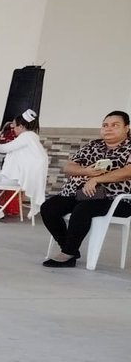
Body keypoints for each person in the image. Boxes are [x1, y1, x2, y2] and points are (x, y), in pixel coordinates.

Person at [40, 110, 131, 267]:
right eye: (105, 125)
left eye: (115, 125)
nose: (108, 129)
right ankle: (69, 249)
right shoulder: (93, 145)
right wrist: (86, 172)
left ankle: (67, 254)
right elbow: (68, 166)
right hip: (81, 194)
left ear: (127, 128)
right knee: (49, 207)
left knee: (83, 210)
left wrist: (96, 179)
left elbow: (128, 171)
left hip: (115, 198)